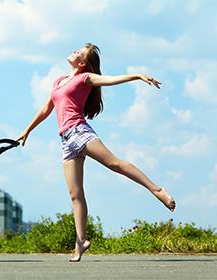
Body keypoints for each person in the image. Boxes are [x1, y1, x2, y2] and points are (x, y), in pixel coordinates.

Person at [17, 43, 176, 262]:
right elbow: (47, 108)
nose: (74, 51)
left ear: (82, 63)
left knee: (114, 164)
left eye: (79, 53)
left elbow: (111, 79)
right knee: (75, 194)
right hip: (66, 141)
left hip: (79, 132)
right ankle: (81, 242)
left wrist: (138, 76)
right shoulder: (59, 81)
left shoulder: (85, 78)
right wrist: (27, 131)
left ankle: (157, 190)